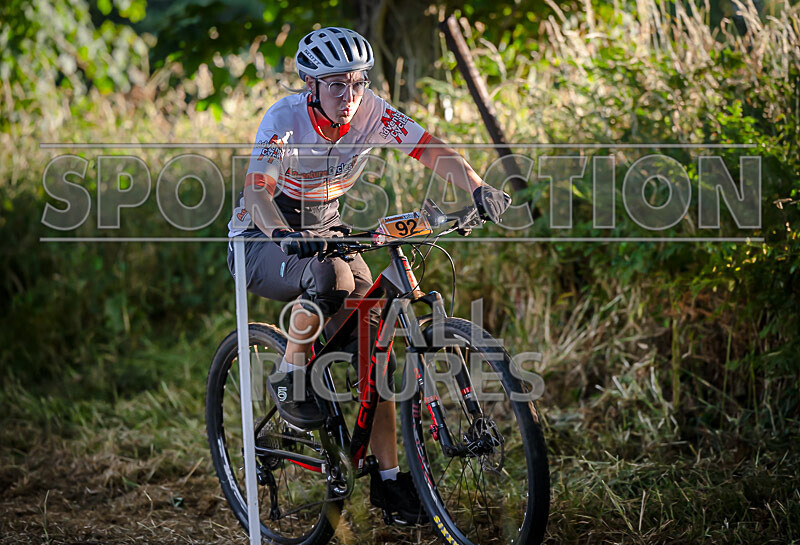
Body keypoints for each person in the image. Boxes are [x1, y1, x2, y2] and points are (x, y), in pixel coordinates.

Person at [226, 26, 511, 525]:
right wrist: (282, 234)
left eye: (357, 82)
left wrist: (477, 184)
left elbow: (429, 147)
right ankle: (290, 375)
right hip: (263, 234)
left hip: (327, 226)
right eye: (337, 85)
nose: (350, 97)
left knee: (373, 351)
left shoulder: (371, 111)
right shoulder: (284, 119)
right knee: (333, 278)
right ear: (311, 85)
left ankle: (388, 482)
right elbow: (257, 191)